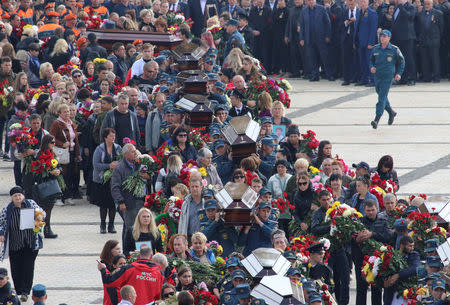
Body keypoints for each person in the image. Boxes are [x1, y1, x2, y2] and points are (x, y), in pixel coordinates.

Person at [0, 186, 44, 302]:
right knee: (16, 267)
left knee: (28, 267)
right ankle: (19, 289)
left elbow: (42, 213)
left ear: (23, 196)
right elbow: (1, 223)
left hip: (30, 243)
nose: (18, 197)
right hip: (15, 244)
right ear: (11, 198)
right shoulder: (7, 210)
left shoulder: (31, 204)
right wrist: (1, 234)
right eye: (15, 196)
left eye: (19, 195)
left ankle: (25, 291)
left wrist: (38, 218)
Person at [351, 199, 394, 305]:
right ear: (364, 210)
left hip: (377, 260)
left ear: (377, 209)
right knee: (361, 288)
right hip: (362, 259)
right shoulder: (359, 222)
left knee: (377, 289)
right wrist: (356, 239)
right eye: (368, 210)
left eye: (372, 210)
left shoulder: (383, 221)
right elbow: (351, 240)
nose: (370, 212)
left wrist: (372, 234)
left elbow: (388, 237)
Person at [99, 247, 164, 305]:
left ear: (139, 256)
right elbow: (164, 294)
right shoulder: (159, 273)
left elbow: (109, 281)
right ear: (151, 256)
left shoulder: (129, 269)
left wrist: (103, 269)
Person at [369, 30, 405, 129]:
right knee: (381, 94)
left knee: (381, 97)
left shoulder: (394, 49)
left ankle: (377, 119)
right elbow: (371, 60)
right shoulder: (376, 48)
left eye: (385, 37)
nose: (382, 38)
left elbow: (402, 61)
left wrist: (399, 73)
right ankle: (391, 112)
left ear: (389, 38)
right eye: (381, 36)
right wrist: (371, 67)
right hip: (377, 76)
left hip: (387, 76)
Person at [111, 143, 149, 237]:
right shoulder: (119, 168)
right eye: (132, 152)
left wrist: (148, 177)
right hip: (129, 203)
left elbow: (148, 178)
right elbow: (115, 187)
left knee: (142, 228)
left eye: (135, 151)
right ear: (125, 154)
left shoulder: (139, 164)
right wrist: (121, 202)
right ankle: (128, 250)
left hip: (142, 201)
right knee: (130, 229)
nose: (135, 153)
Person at [49, 103, 82, 205]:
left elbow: (75, 139)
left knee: (70, 175)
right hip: (61, 153)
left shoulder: (71, 123)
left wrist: (78, 154)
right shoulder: (57, 123)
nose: (67, 113)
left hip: (71, 152)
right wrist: (62, 144)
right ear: (59, 113)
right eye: (65, 112)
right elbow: (51, 138)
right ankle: (58, 198)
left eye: (68, 111)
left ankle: (68, 196)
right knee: (61, 174)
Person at [92, 128, 122, 234]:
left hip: (114, 180)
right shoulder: (99, 149)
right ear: (105, 137)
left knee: (113, 204)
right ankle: (103, 224)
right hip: (101, 180)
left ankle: (111, 225)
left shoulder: (118, 148)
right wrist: (109, 166)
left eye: (114, 136)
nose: (113, 138)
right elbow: (96, 165)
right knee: (103, 204)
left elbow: (122, 161)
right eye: (111, 136)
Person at [33, 134, 62, 239]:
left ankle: (47, 229)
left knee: (49, 208)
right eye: (52, 142)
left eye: (54, 142)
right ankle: (37, 230)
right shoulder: (40, 154)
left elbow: (58, 165)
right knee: (40, 209)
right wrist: (50, 172)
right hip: (42, 184)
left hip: (52, 184)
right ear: (46, 143)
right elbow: (36, 171)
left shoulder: (52, 153)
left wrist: (58, 171)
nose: (54, 144)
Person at [299, 0, 333, 81]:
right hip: (309, 38)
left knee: (325, 57)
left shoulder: (321, 9)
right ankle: (315, 75)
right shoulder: (304, 11)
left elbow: (327, 23)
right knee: (312, 58)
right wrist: (301, 38)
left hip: (321, 38)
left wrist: (328, 35)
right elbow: (302, 25)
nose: (311, 1)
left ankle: (329, 75)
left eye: (312, 0)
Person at [383, 236, 420, 304]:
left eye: (413, 246)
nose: (412, 248)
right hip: (391, 292)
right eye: (410, 246)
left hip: (405, 291)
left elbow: (414, 268)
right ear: (402, 245)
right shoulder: (392, 256)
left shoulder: (414, 255)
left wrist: (398, 275)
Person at [417, 0, 443, 83]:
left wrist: (437, 38)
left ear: (432, 4)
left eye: (428, 4)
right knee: (425, 60)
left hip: (434, 40)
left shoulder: (438, 13)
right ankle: (427, 77)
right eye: (425, 4)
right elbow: (419, 27)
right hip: (423, 40)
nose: (427, 5)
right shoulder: (420, 13)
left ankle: (436, 77)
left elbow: (441, 28)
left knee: (435, 60)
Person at [353, 0, 378, 86]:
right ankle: (364, 79)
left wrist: (371, 43)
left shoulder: (372, 13)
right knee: (362, 61)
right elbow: (356, 28)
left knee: (370, 61)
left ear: (367, 3)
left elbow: (373, 29)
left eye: (364, 2)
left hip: (368, 42)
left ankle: (373, 80)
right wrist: (354, 41)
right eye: (361, 2)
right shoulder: (358, 12)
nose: (362, 3)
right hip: (360, 42)